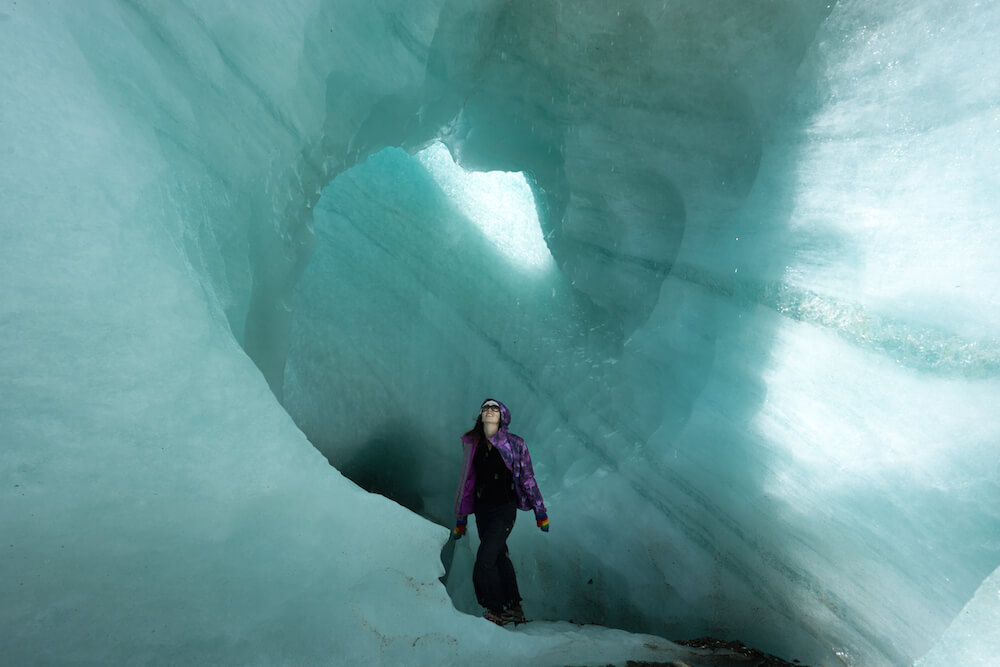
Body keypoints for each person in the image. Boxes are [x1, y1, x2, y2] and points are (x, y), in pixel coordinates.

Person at [452, 398, 549, 626]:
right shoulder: (472, 443)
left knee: (484, 560)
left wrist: (540, 511)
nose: (489, 411)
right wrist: (461, 518)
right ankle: (514, 608)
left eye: (494, 408)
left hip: (504, 509)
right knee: (498, 557)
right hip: (482, 509)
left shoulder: (515, 444)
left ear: (503, 414)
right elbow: (467, 482)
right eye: (486, 408)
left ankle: (496, 609)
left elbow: (527, 478)